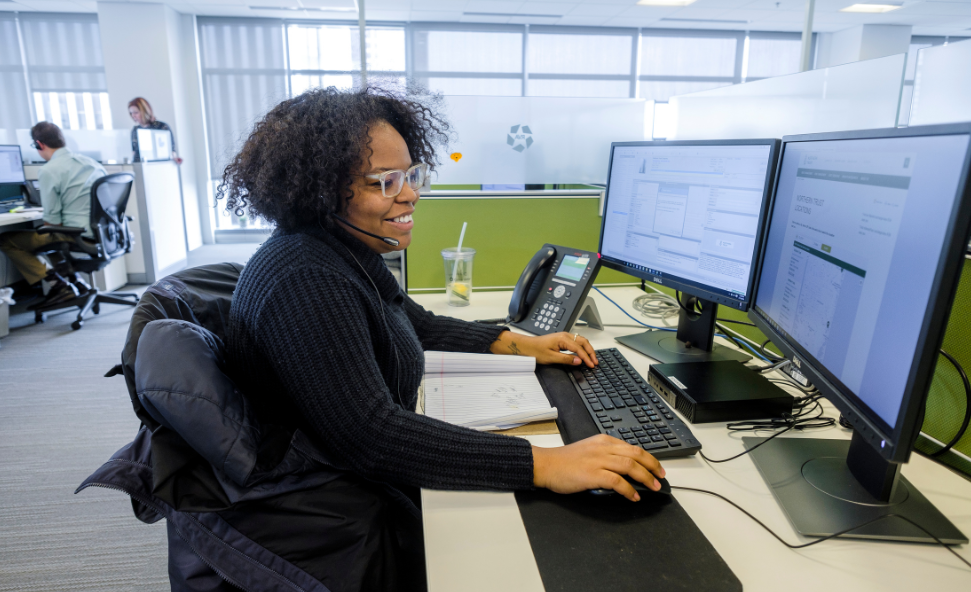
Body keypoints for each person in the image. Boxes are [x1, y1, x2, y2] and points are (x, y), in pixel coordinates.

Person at [220, 86, 666, 591]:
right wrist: (545, 463)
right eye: (384, 182)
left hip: (352, 477)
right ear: (321, 190)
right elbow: (372, 436)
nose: (409, 193)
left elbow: (417, 323)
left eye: (410, 175)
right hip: (331, 504)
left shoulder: (342, 252)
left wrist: (520, 343)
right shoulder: (307, 279)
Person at [0, 122, 105, 308]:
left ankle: (59, 286)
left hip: (78, 234)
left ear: (39, 144)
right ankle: (75, 281)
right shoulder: (91, 163)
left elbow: (51, 221)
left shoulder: (50, 170)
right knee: (54, 237)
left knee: (8, 240)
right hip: (102, 234)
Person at [128, 97, 182, 164]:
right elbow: (133, 151)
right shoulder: (135, 130)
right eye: (131, 113)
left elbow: (171, 150)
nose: (133, 115)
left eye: (136, 112)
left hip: (159, 166)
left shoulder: (161, 127)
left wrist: (174, 158)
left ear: (144, 111)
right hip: (140, 166)